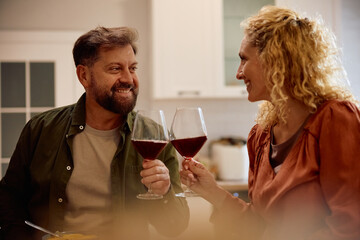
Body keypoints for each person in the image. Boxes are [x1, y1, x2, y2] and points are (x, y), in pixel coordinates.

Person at [180, 5, 360, 240]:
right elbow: (257, 226)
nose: (238, 73)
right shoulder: (260, 136)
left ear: (276, 61)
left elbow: (350, 227)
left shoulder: (336, 118)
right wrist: (211, 191)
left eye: (244, 60)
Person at [0, 26, 189, 240]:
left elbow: (176, 227)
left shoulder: (154, 135)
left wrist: (163, 193)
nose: (129, 79)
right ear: (84, 75)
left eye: (133, 68)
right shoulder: (40, 129)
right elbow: (8, 202)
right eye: (115, 69)